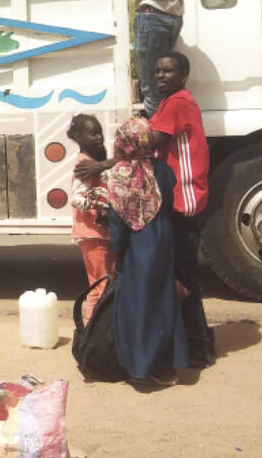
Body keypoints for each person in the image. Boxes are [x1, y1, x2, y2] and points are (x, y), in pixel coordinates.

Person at [107, 117, 188, 385]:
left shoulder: (118, 175)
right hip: (162, 239)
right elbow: (168, 202)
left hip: (137, 244)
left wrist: (117, 253)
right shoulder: (162, 170)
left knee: (138, 302)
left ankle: (140, 366)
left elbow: (117, 223)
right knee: (162, 299)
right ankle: (166, 365)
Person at [149, 52, 216, 368]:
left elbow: (147, 142)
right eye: (158, 71)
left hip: (183, 202)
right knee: (180, 275)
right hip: (177, 200)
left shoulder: (177, 102)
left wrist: (105, 162)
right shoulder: (169, 102)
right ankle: (193, 341)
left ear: (184, 74)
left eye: (168, 71)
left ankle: (200, 347)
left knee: (185, 279)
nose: (161, 76)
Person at [68, 114, 111, 321]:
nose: (99, 137)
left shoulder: (93, 161)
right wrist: (97, 208)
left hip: (95, 233)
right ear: (78, 137)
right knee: (102, 285)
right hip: (93, 233)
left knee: (96, 285)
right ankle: (97, 331)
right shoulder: (84, 164)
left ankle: (90, 330)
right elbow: (76, 198)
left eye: (100, 133)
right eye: (93, 134)